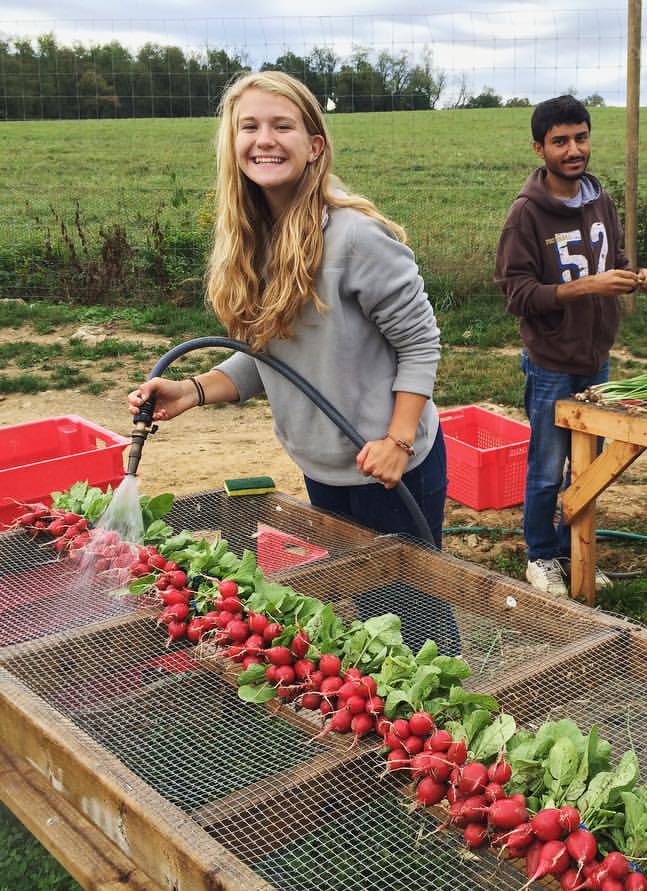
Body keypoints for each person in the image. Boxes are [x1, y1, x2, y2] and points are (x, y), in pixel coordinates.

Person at [128, 70, 447, 549]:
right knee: (367, 617)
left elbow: (421, 344)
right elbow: (275, 355)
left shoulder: (354, 237)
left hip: (390, 470)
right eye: (249, 126)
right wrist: (192, 390)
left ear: (314, 145)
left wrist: (398, 442)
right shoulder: (252, 242)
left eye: (282, 126)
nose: (264, 140)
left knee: (419, 617)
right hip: (323, 467)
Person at [495, 94, 647, 597]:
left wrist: (639, 276)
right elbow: (517, 293)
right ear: (538, 148)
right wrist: (587, 286)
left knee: (589, 465)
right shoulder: (525, 216)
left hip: (596, 357)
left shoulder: (600, 199)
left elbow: (617, 256)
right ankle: (540, 557)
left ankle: (576, 549)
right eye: (560, 141)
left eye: (581, 138)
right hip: (550, 363)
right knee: (547, 467)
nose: (573, 149)